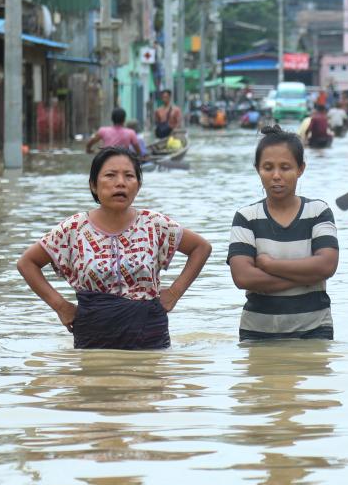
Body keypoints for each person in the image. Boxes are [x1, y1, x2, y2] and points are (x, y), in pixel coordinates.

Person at [17, 147, 212, 349]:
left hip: (150, 340)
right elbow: (27, 263)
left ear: (138, 185)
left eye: (129, 176)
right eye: (110, 175)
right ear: (93, 185)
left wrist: (174, 293)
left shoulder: (154, 224)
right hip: (93, 339)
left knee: (151, 379)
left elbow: (201, 247)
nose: (120, 183)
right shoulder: (73, 228)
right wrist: (61, 307)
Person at [227, 125, 339, 341]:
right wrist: (307, 276)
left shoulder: (318, 212)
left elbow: (326, 265)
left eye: (285, 167)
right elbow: (242, 277)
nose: (276, 176)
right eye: (268, 167)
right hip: (258, 333)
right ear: (257, 169)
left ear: (301, 169)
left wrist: (270, 265)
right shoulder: (246, 217)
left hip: (314, 330)